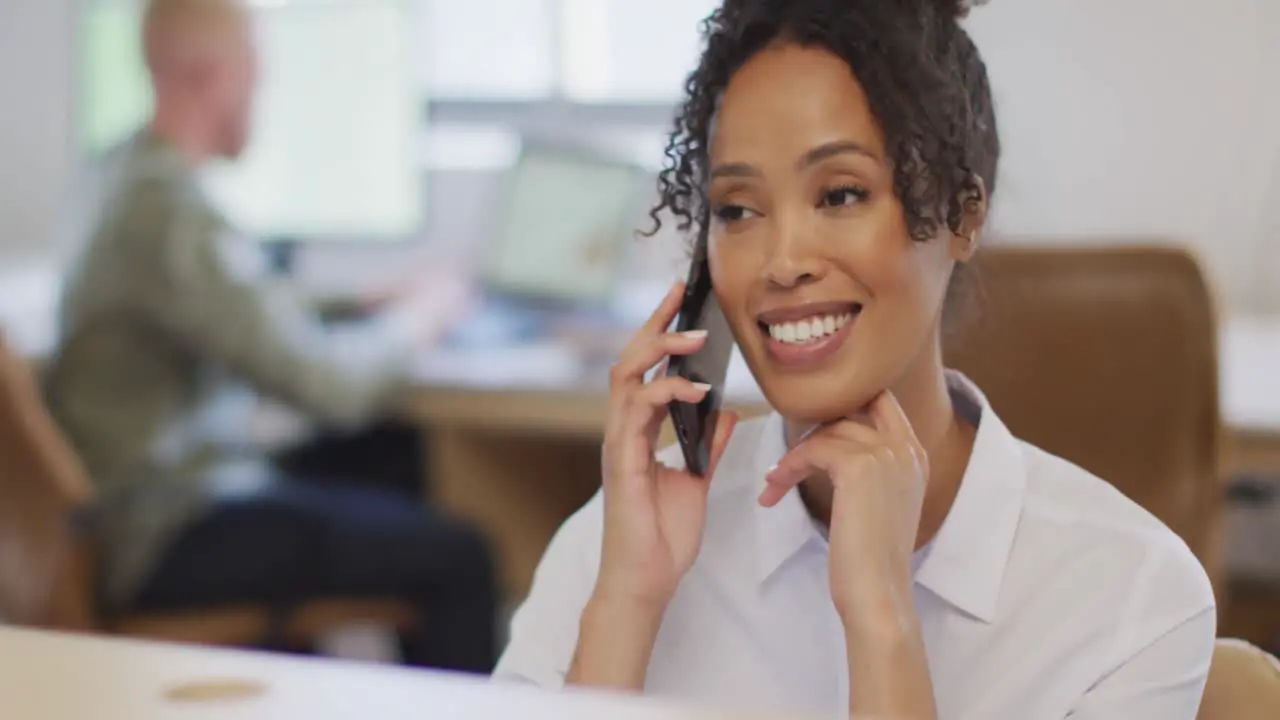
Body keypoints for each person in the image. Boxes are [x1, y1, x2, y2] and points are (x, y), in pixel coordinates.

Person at [493, 0, 1216, 715]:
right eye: (738, 210)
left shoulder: (1134, 602)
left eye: (840, 194)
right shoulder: (620, 539)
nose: (782, 262)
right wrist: (628, 598)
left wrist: (882, 618)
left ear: (964, 215)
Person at [43, 0, 496, 672]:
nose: (262, 92)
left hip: (140, 504)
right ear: (210, 75)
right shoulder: (164, 215)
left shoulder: (124, 176)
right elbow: (329, 387)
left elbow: (228, 300)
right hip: (160, 527)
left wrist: (362, 300)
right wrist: (417, 322)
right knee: (462, 556)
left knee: (396, 456)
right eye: (256, 72)